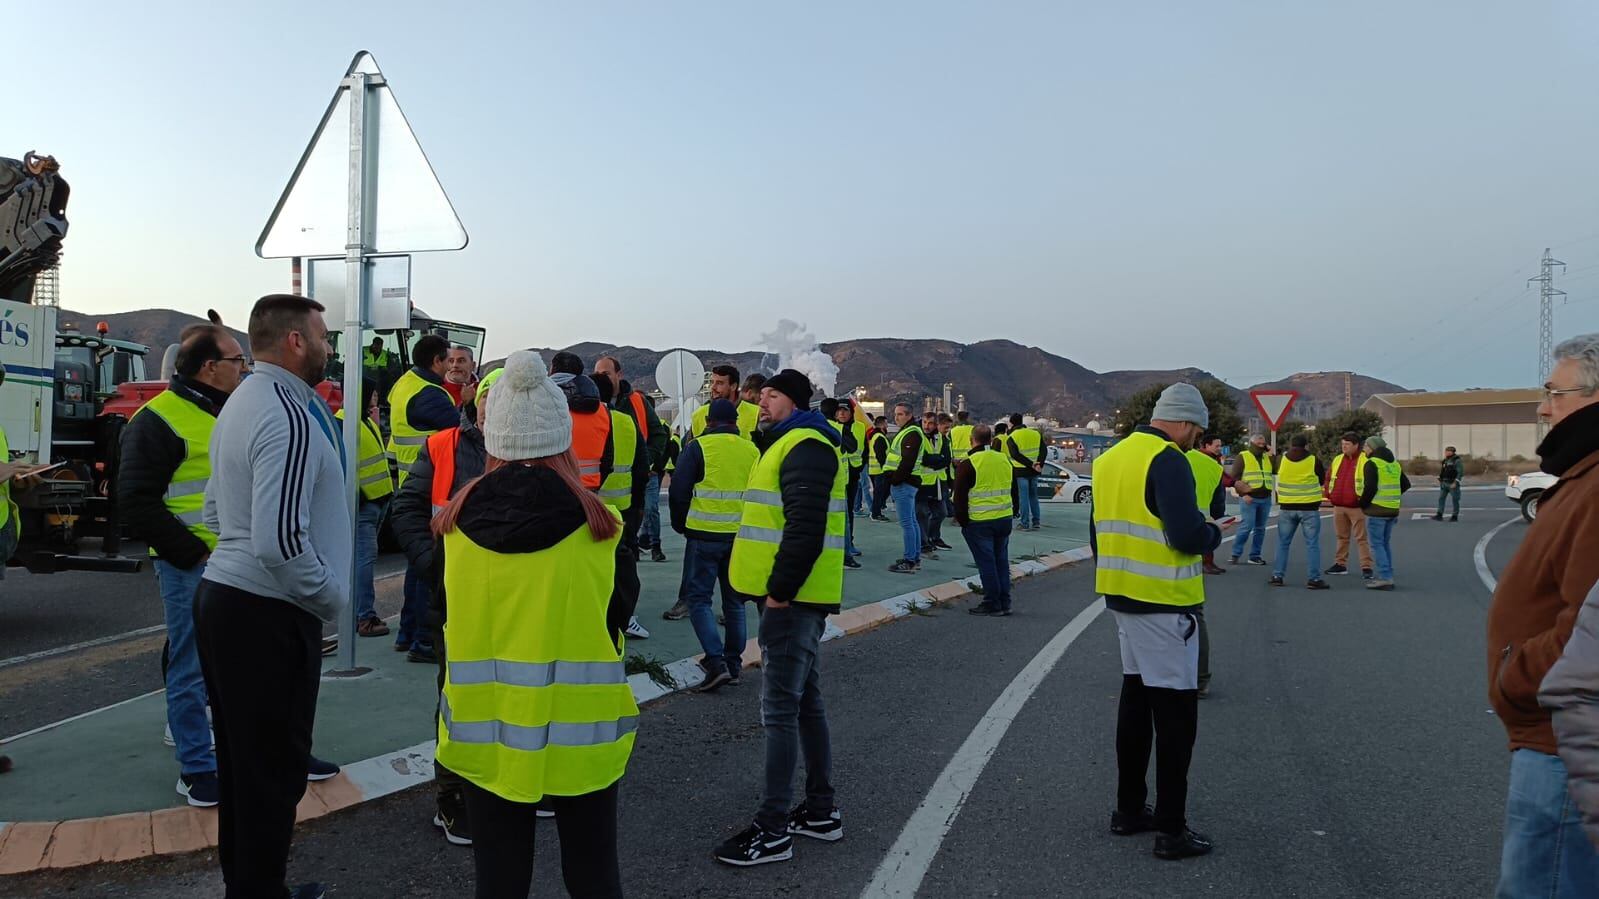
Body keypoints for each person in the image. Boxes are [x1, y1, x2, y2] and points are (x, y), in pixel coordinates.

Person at [432, 351, 636, 899]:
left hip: (486, 732)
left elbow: (440, 615)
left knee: (498, 880)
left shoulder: (452, 527)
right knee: (594, 875)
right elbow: (619, 614)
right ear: (562, 438)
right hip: (582, 734)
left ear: (491, 439)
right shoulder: (601, 527)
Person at [194, 295, 350, 899]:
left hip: (229, 601)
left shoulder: (243, 402)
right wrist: (327, 595)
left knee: (243, 768)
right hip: (265, 612)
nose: (329, 346)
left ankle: (251, 889)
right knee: (272, 776)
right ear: (295, 342)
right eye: (324, 335)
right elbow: (281, 541)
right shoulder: (287, 412)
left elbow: (214, 507)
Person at [715, 370, 845, 866]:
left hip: (791, 603)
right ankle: (819, 811)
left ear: (792, 401)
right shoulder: (786, 442)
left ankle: (772, 831)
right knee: (805, 704)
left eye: (770, 395)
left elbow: (806, 528)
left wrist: (779, 595)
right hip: (789, 599)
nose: (760, 402)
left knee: (780, 712)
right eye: (761, 395)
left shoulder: (807, 445)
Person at [1487, 333, 1599, 895]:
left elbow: (1589, 631)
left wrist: (1518, 675)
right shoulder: (1582, 475)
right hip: (1563, 733)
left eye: (1556, 392)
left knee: (1545, 886)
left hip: (1567, 742)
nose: (1543, 406)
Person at [118, 322, 247, 808]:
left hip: (238, 561)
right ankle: (196, 767)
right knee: (190, 665)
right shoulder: (157, 421)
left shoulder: (229, 411)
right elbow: (135, 504)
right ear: (210, 368)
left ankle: (247, 751)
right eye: (237, 361)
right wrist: (197, 552)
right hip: (191, 565)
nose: (245, 368)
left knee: (231, 661)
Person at [1092, 383, 1221, 861]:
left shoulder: (1110, 459)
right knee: (1175, 718)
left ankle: (1129, 810)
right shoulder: (1170, 460)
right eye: (1198, 430)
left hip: (1121, 595)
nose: (1196, 439)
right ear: (1186, 423)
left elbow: (1097, 531)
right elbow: (1187, 534)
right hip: (1165, 602)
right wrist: (1212, 533)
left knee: (1135, 701)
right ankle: (1171, 828)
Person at [391, 371, 495, 847]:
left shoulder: (536, 449)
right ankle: (453, 798)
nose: (497, 405)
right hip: (452, 595)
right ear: (477, 400)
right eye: (491, 395)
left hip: (513, 598)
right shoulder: (441, 446)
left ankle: (508, 783)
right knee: (458, 696)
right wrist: (433, 564)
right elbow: (407, 509)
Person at [670, 398, 761, 692]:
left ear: (708, 422)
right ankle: (733, 665)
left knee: (699, 600)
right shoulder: (751, 449)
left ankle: (716, 661)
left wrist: (681, 524)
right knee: (734, 603)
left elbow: (679, 490)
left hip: (703, 536)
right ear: (735, 422)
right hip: (739, 538)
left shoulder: (698, 447)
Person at [388, 334, 459, 663]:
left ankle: (406, 633)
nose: (451, 366)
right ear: (437, 361)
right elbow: (458, 431)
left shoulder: (404, 384)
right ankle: (423, 642)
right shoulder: (432, 394)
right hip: (430, 489)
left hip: (408, 482)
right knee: (427, 572)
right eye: (448, 360)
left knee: (416, 569)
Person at [592, 372, 650, 641]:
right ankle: (626, 619)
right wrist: (638, 505)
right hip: (624, 508)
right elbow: (641, 466)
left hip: (592, 509)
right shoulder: (626, 421)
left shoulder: (584, 422)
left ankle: (600, 619)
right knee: (624, 568)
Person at [335, 381, 395, 636]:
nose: (376, 398)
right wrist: (357, 497)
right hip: (365, 506)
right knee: (363, 560)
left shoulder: (363, 420)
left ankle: (360, 614)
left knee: (363, 559)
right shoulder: (342, 423)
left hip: (378, 502)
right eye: (372, 393)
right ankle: (364, 617)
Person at [1183, 433, 1228, 698]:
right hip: (1195, 541)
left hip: (1151, 549)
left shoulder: (1169, 458)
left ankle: (1149, 675)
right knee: (1192, 613)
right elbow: (1219, 510)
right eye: (1217, 444)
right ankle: (1199, 680)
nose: (1220, 448)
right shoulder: (1214, 468)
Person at [953, 424, 1013, 616]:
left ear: (972, 440)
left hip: (979, 521)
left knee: (986, 563)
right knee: (1001, 561)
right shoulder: (1003, 459)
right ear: (991, 439)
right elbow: (1013, 488)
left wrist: (963, 521)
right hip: (1004, 518)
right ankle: (1005, 601)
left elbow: (959, 497)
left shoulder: (969, 463)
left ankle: (992, 602)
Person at [1268, 434, 1329, 591]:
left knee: (1283, 543)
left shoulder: (1282, 459)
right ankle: (1313, 579)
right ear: (1306, 445)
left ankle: (1277, 576)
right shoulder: (1313, 460)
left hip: (1287, 507)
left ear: (1291, 445)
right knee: (1312, 544)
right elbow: (1322, 480)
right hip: (1309, 508)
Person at [1358, 437, 1410, 591]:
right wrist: (1393, 495)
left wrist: (1362, 504)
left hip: (1376, 510)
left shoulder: (1372, 463)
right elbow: (1406, 484)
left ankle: (1385, 578)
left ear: (1373, 448)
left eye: (1366, 446)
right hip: (1392, 509)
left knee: (1376, 544)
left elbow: (1370, 488)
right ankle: (1388, 573)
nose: (1364, 449)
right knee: (1384, 543)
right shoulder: (1394, 464)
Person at [1323, 432, 1375, 579]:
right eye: (1342, 444)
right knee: (1341, 536)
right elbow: (1328, 478)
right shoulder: (1338, 459)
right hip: (1339, 505)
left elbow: (1371, 482)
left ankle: (1366, 567)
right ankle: (1340, 564)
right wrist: (1329, 494)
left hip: (1357, 506)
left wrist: (1363, 502)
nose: (1344, 447)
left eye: (1347, 444)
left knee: (1361, 538)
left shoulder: (1365, 460)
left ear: (1356, 445)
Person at [821, 398, 864, 569]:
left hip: (850, 475)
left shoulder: (857, 427)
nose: (842, 413)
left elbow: (858, 449)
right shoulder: (835, 428)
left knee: (847, 514)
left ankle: (846, 546)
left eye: (845, 410)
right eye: (839, 410)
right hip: (838, 479)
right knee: (841, 517)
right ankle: (844, 552)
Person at [885, 403, 926, 574]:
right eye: (896, 414)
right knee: (912, 521)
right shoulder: (910, 432)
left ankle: (910, 560)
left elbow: (907, 461)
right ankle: (914, 557)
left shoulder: (912, 434)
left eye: (900, 414)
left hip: (904, 483)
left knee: (907, 523)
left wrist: (895, 480)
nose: (897, 417)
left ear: (909, 415)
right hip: (907, 483)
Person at [1227, 434, 1274, 566]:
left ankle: (1255, 556)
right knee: (1246, 526)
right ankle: (1235, 554)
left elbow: (1276, 468)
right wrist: (1243, 494)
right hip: (1249, 498)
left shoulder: (1266, 457)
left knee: (1260, 528)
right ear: (1252, 443)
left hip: (1265, 498)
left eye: (1263, 443)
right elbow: (1235, 478)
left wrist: (1272, 453)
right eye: (1259, 443)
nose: (1262, 445)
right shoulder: (1243, 456)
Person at [1187, 434, 1227, 576]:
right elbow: (1224, 479)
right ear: (1206, 446)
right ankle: (1206, 563)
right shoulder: (1202, 460)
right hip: (1205, 502)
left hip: (1215, 500)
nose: (1219, 448)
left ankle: (1209, 562)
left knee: (1212, 530)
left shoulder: (1215, 459)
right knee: (1207, 532)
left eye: (1220, 445)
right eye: (1216, 445)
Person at [691, 364, 760, 441]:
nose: (713, 387)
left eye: (719, 383)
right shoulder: (698, 415)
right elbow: (688, 449)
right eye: (712, 382)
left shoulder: (756, 413)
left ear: (733, 386)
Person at [918, 411, 951, 555]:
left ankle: (934, 537)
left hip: (939, 481)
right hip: (922, 483)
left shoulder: (942, 439)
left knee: (941, 513)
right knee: (922, 514)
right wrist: (936, 459)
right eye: (924, 422)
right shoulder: (918, 437)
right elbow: (922, 458)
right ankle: (924, 544)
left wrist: (934, 460)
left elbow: (946, 459)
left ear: (936, 425)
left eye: (930, 423)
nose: (926, 426)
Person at [1007, 413, 1045, 530]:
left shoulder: (1012, 437)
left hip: (1021, 471)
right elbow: (1043, 450)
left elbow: (1015, 455)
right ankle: (1036, 521)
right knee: (1034, 496)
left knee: (1023, 497)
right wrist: (1038, 464)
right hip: (1034, 471)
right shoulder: (1036, 434)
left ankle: (1024, 523)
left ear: (1012, 423)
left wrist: (1030, 464)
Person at [868, 415, 891, 521]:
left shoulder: (876, 436)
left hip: (875, 469)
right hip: (879, 470)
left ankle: (876, 511)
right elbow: (880, 455)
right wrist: (886, 468)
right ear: (882, 424)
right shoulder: (879, 437)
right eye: (886, 423)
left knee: (880, 492)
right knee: (879, 493)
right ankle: (876, 513)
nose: (887, 425)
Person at [1433, 445, 1464, 522]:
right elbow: (1443, 471)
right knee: (1441, 499)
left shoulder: (1457, 460)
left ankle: (1454, 516)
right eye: (1445, 451)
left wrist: (1455, 482)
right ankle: (1439, 514)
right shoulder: (1445, 460)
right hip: (1444, 483)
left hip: (1452, 483)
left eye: (1447, 451)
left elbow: (1460, 472)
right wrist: (1440, 478)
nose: (1445, 453)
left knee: (1455, 499)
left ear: (1451, 452)